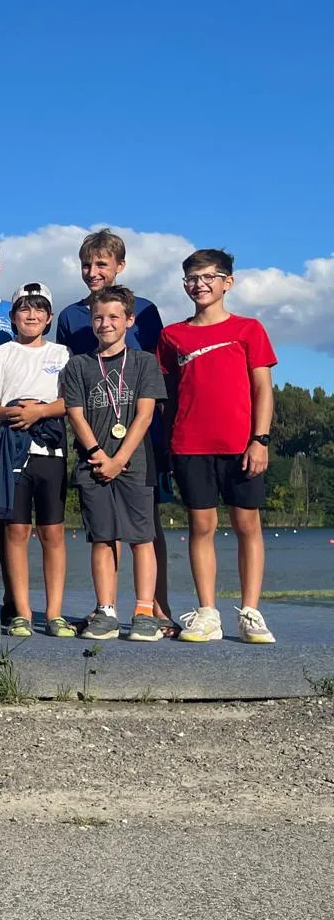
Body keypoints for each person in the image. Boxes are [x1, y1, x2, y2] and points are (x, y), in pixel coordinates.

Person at [159, 249, 278, 645]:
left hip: (241, 445)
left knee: (247, 525)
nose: (200, 284)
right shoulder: (172, 336)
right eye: (192, 278)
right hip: (190, 444)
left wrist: (259, 439)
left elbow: (263, 388)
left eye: (209, 277)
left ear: (228, 282)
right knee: (201, 526)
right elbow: (170, 397)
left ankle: (250, 612)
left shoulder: (249, 329)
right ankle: (207, 612)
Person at [58, 228, 172, 631]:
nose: (92, 271)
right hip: (95, 450)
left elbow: (147, 407)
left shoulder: (143, 341)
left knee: (144, 531)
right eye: (86, 265)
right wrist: (97, 454)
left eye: (101, 264)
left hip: (136, 452)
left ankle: (151, 609)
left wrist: (121, 457)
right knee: (102, 535)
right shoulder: (74, 339)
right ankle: (106, 608)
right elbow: (74, 407)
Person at [0, 283, 71, 636]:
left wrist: (41, 411)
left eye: (39, 309)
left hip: (52, 451)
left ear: (48, 317)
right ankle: (22, 612)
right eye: (24, 309)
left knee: (53, 533)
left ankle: (55, 612)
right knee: (16, 530)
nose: (31, 316)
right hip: (12, 449)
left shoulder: (62, 354)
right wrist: (13, 413)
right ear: (13, 316)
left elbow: (70, 402)